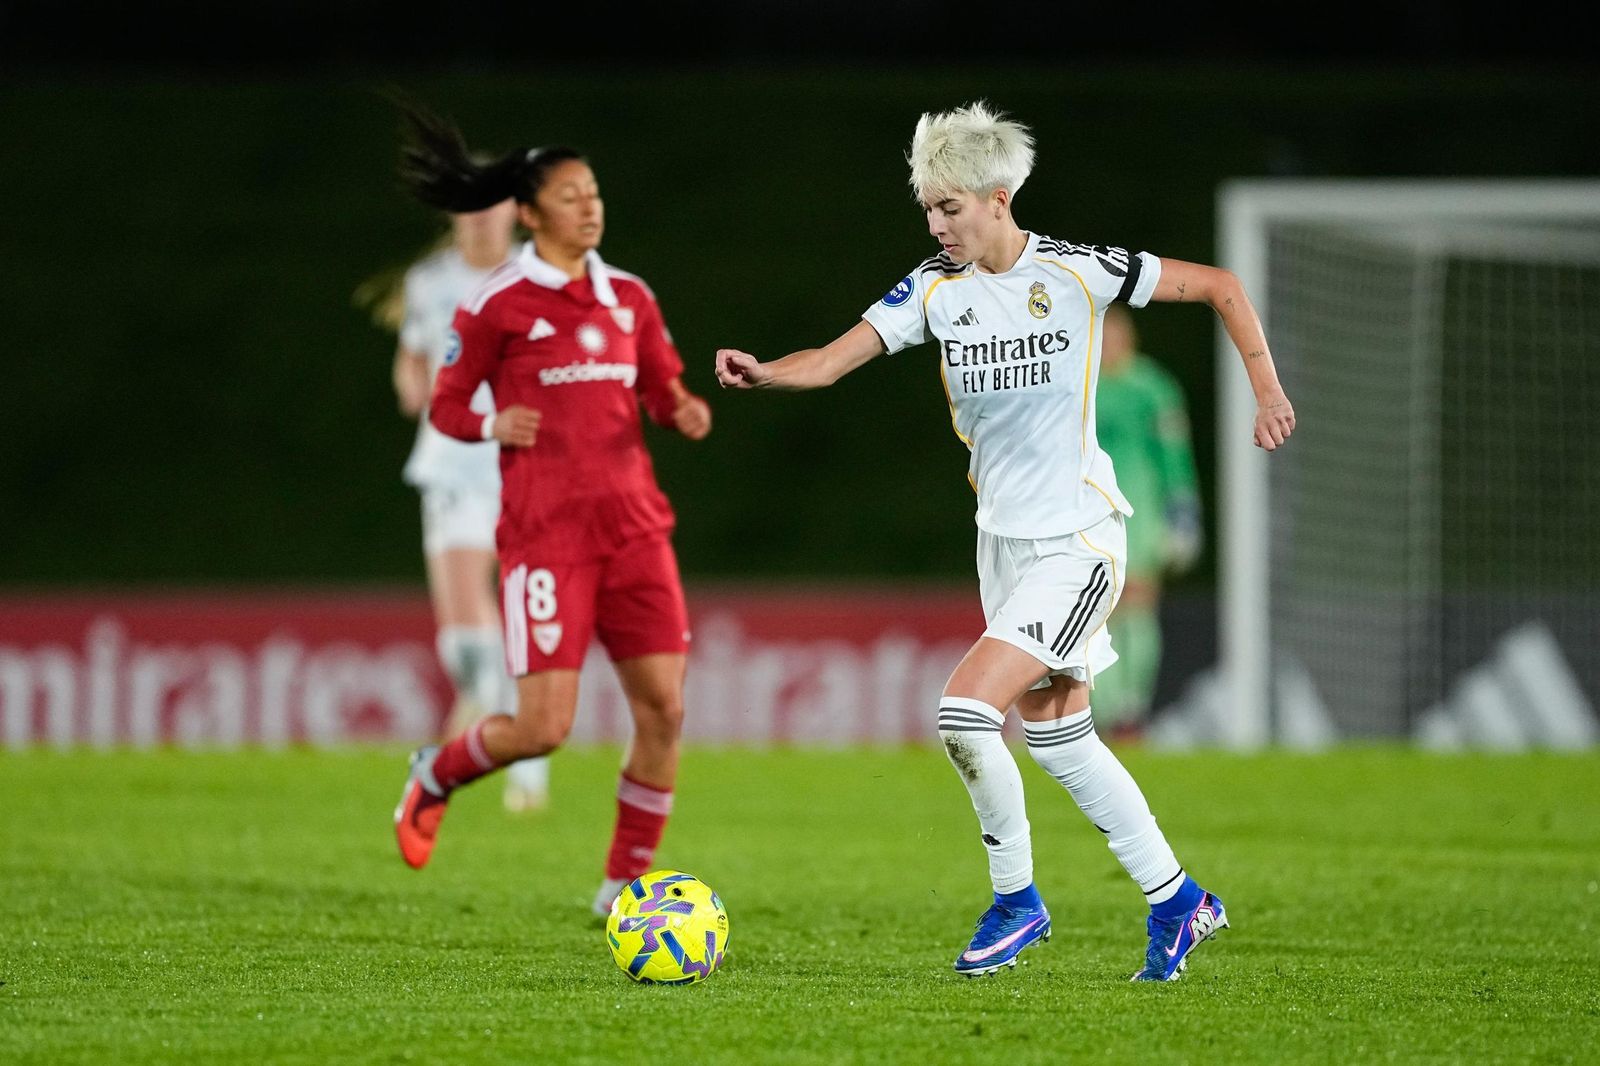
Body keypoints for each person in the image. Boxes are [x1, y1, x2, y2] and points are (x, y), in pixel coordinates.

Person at [715, 102, 1294, 981]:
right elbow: (834, 359)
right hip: (1004, 546)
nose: (937, 224)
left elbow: (1221, 285)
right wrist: (765, 371)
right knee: (1061, 738)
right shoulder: (932, 291)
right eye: (928, 210)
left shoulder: (1076, 272)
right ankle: (1179, 900)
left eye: (949, 207)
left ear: (997, 197)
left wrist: (1266, 389)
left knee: (962, 712)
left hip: (1078, 539)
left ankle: (1017, 900)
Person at [389, 104, 713, 918]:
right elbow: (447, 405)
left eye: (594, 191)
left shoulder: (630, 297)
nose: (590, 206)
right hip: (547, 539)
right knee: (541, 729)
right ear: (531, 215)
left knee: (666, 709)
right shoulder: (495, 304)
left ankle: (619, 887)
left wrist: (682, 408)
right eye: (571, 196)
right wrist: (493, 422)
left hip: (636, 530)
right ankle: (434, 774)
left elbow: (658, 384)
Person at [386, 197, 553, 813]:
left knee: (508, 607)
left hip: (520, 461)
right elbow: (413, 356)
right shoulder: (428, 283)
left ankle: (524, 765)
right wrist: (410, 382)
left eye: (494, 205)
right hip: (451, 460)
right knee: (461, 639)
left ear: (515, 212)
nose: (481, 216)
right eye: (470, 205)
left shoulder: (537, 274)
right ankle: (503, 734)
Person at [1090, 303, 1204, 740]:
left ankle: (1131, 707)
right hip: (1090, 508)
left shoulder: (1153, 387)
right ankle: (1099, 708)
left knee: (1136, 601)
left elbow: (1175, 455)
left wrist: (1183, 515)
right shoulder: (1080, 387)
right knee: (1095, 608)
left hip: (1141, 507)